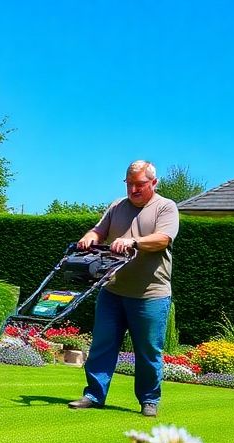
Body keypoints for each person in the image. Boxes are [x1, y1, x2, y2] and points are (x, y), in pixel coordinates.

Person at [67, 160, 180, 417]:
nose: (133, 190)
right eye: (129, 184)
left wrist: (134, 241)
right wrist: (90, 237)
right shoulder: (117, 206)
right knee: (102, 345)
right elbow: (99, 230)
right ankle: (94, 395)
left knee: (148, 350)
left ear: (153, 182)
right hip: (113, 291)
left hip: (150, 294)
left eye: (139, 184)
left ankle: (149, 400)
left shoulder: (165, 207)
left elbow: (163, 239)